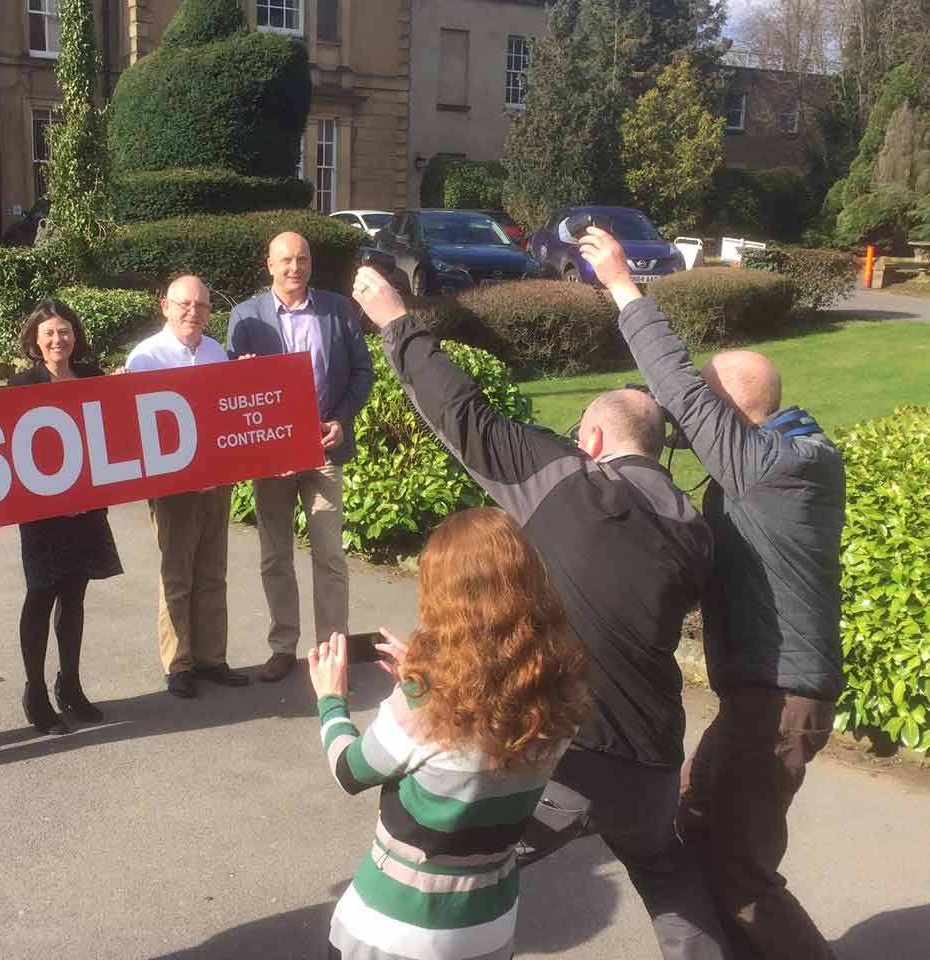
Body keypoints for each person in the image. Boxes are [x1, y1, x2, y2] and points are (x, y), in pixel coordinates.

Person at [351, 265, 731, 959]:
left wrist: (395, 321)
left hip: (565, 753)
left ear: (589, 439)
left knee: (458, 858)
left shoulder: (561, 479)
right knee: (665, 872)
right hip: (652, 759)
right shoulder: (694, 532)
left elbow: (462, 413)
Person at [580, 227, 846, 959]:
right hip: (768, 695)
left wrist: (620, 283)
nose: (686, 417)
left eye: (708, 401)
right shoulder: (783, 463)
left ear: (735, 411)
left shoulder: (764, 467)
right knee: (693, 822)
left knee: (741, 874)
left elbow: (674, 382)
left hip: (777, 702)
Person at [307, 507, 589, 960]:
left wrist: (330, 699)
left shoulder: (426, 707)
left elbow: (349, 769)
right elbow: (489, 706)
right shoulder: (563, 697)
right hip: (490, 929)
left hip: (393, 930)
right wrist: (421, 678)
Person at [227, 231, 375, 683]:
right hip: (272, 456)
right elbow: (229, 389)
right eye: (286, 260)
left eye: (303, 259)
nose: (295, 267)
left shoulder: (336, 309)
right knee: (276, 556)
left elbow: (362, 371)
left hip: (324, 449)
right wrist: (242, 373)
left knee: (329, 554)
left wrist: (343, 419)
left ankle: (332, 649)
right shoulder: (245, 317)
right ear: (269, 265)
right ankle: (282, 646)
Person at [125, 275, 251, 699]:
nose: (193, 313)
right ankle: (178, 665)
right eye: (184, 305)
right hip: (174, 489)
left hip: (217, 484)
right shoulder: (147, 357)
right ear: (165, 306)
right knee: (177, 577)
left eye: (201, 306)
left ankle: (212, 659)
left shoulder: (216, 352)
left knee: (214, 572)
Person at [8, 299, 124, 734]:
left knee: (74, 597)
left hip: (86, 511)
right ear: (36, 341)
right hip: (42, 514)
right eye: (50, 334)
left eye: (65, 331)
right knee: (40, 596)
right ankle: (35, 693)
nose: (59, 339)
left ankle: (70, 687)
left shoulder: (93, 378)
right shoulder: (21, 384)